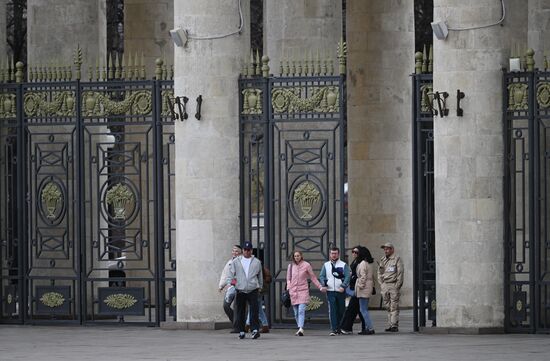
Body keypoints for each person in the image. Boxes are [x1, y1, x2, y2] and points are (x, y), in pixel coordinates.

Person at [226, 241, 263, 339]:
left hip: (253, 289)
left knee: (254, 311)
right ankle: (241, 330)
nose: (247, 252)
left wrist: (260, 286)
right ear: (242, 250)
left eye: (249, 250)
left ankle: (255, 330)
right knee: (240, 311)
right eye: (245, 250)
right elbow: (230, 274)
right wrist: (231, 285)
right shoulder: (236, 261)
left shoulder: (257, 262)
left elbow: (260, 276)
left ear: (251, 250)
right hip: (240, 289)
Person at [286, 251, 327, 336]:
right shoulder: (290, 266)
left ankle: (301, 328)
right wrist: (289, 287)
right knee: (296, 312)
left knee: (301, 310)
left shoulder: (306, 265)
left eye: (298, 256)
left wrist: (320, 286)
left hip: (303, 290)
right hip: (293, 291)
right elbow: (288, 279)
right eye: (295, 256)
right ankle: (299, 328)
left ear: (301, 256)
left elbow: (313, 277)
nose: (297, 257)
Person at [319, 247, 351, 336]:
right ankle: (334, 329)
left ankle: (340, 328)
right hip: (330, 291)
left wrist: (343, 286)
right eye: (332, 253)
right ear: (330, 254)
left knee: (341, 310)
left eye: (335, 253)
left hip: (340, 291)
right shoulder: (326, 265)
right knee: (333, 310)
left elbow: (347, 276)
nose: (334, 255)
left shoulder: (343, 265)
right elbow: (322, 276)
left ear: (338, 254)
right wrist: (324, 284)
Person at [339, 246, 367, 334]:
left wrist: (358, 284)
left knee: (354, 309)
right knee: (357, 309)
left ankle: (347, 328)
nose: (354, 254)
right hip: (354, 288)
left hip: (358, 289)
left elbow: (362, 276)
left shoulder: (361, 263)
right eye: (353, 252)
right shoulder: (355, 261)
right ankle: (362, 327)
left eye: (356, 252)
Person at [377, 242, 404, 332]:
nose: (386, 250)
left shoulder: (397, 259)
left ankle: (394, 325)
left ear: (392, 249)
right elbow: (379, 273)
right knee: (388, 306)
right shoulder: (383, 259)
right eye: (384, 249)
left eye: (387, 249)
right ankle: (390, 324)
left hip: (393, 284)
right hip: (385, 285)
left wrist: (397, 285)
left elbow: (400, 273)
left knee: (394, 306)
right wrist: (381, 284)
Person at [218, 244, 242, 333]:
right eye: (233, 251)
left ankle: (238, 327)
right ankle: (235, 323)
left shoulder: (242, 262)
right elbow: (225, 274)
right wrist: (221, 285)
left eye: (236, 251)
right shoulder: (229, 262)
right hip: (230, 288)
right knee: (226, 306)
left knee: (237, 307)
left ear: (240, 253)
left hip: (240, 288)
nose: (234, 252)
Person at [355, 246, 376, 335]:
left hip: (364, 288)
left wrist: (360, 285)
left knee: (363, 309)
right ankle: (368, 327)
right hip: (368, 286)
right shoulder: (369, 263)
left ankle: (370, 328)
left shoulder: (363, 263)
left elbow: (363, 276)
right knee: (364, 309)